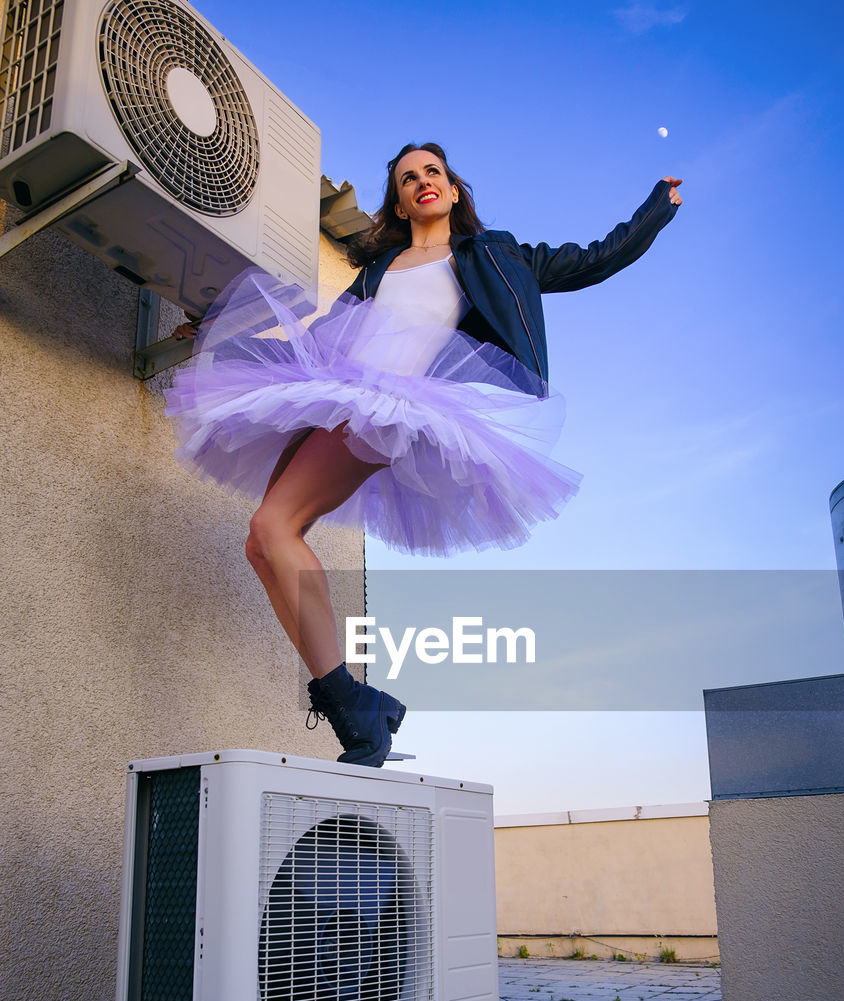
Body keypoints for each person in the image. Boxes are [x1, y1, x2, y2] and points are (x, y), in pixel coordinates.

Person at [167, 143, 682, 768]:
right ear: (400, 201)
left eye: (431, 173)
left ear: (454, 190)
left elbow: (597, 259)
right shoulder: (379, 270)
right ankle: (358, 702)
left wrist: (658, 207)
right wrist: (234, 340)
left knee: (271, 526)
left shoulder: (496, 255)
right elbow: (322, 340)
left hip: (387, 408)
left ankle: (352, 706)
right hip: (337, 393)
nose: (421, 183)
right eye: (408, 178)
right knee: (263, 542)